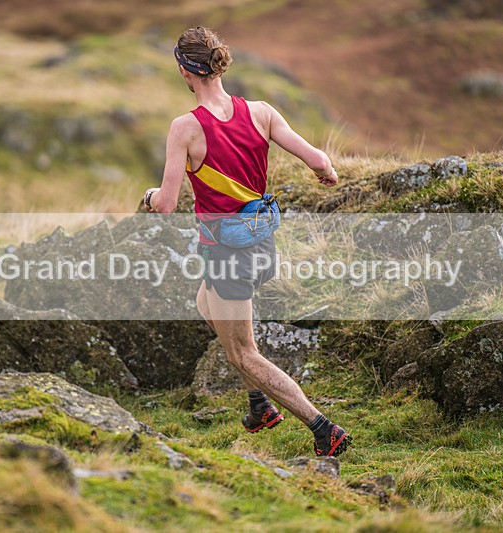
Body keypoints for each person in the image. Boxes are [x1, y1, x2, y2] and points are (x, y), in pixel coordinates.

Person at [142, 26, 351, 457]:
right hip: (261, 245)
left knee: (244, 353)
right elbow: (319, 160)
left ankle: (322, 427)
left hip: (227, 255)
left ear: (185, 71)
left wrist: (147, 197)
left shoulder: (186, 128)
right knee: (206, 306)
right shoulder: (261, 112)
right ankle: (258, 405)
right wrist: (325, 174)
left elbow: (164, 204)